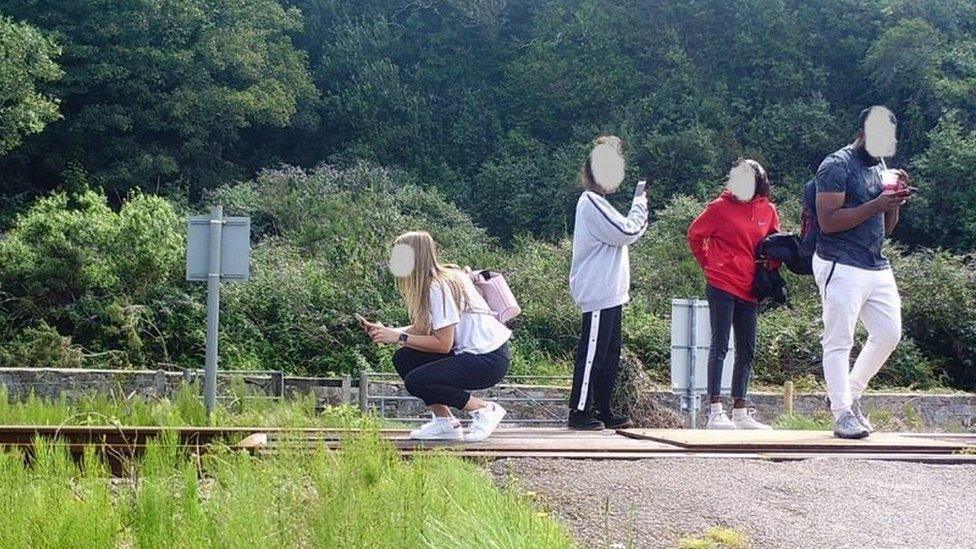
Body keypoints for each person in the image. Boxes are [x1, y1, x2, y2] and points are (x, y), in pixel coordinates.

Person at [359, 231, 512, 442]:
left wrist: (398, 337)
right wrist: (390, 331)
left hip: (487, 359)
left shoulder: (438, 286)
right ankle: (446, 422)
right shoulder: (445, 277)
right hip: (474, 354)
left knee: (417, 381)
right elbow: (423, 328)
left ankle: (484, 409)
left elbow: (443, 344)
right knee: (404, 358)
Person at [814, 106, 910, 439]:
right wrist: (876, 204)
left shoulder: (880, 168)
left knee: (888, 332)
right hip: (839, 261)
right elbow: (828, 222)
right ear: (864, 133)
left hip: (874, 261)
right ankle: (842, 413)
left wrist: (893, 201)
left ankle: (848, 392)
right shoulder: (836, 166)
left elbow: (886, 227)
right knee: (839, 338)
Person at [687, 159, 780, 430]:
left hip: (751, 286)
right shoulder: (719, 208)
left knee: (747, 348)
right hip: (722, 282)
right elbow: (694, 235)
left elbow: (771, 244)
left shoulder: (768, 210)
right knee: (720, 345)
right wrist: (709, 264)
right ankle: (714, 409)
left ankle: (740, 410)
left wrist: (775, 268)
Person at [567, 135, 648, 430]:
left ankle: (602, 408)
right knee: (592, 353)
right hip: (599, 290)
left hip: (610, 291)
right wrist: (640, 204)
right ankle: (579, 410)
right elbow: (627, 230)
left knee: (608, 354)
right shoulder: (590, 201)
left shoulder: (599, 203)